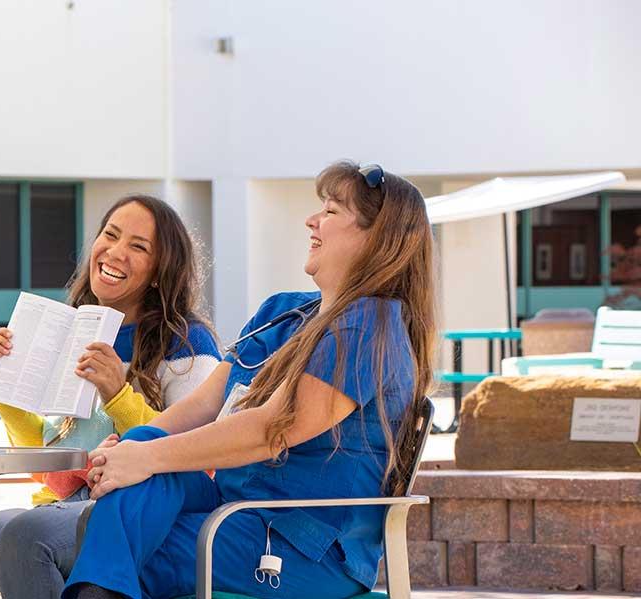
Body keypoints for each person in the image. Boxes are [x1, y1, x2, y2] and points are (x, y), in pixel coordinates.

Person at [65, 161, 435, 599]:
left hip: (297, 544)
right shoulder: (284, 311)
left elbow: (272, 429)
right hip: (232, 510)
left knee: (126, 554)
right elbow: (204, 405)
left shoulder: (369, 327)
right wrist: (131, 451)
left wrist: (145, 459)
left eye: (332, 212)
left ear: (376, 238)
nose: (311, 220)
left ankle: (95, 589)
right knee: (144, 441)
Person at [0, 195, 221, 599]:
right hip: (63, 504)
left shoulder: (190, 343)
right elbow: (48, 464)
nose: (115, 252)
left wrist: (118, 393)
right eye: (110, 235)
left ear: (159, 271)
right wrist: (6, 390)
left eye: (138, 246)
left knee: (30, 537)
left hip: (132, 513)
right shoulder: (76, 330)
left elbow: (193, 457)